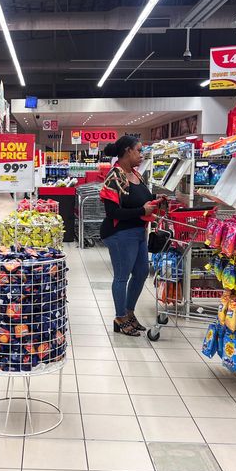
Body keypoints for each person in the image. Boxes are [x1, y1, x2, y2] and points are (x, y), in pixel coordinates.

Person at [99, 136, 157, 336]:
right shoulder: (114, 178)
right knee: (122, 276)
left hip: (139, 232)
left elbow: (145, 200)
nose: (141, 155)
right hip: (120, 233)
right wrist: (142, 210)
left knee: (141, 273)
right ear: (126, 151)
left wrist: (157, 203)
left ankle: (130, 312)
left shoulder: (136, 175)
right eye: (139, 151)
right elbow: (113, 213)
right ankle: (120, 317)